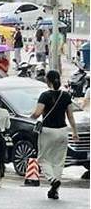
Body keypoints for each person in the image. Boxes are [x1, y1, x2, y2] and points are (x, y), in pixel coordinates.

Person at [31, 70, 78, 200]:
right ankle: (55, 190)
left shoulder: (44, 96)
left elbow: (37, 113)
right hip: (63, 131)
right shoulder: (66, 96)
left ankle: (52, 180)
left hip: (48, 131)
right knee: (59, 161)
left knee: (43, 158)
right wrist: (74, 132)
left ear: (48, 81)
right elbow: (70, 117)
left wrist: (32, 115)